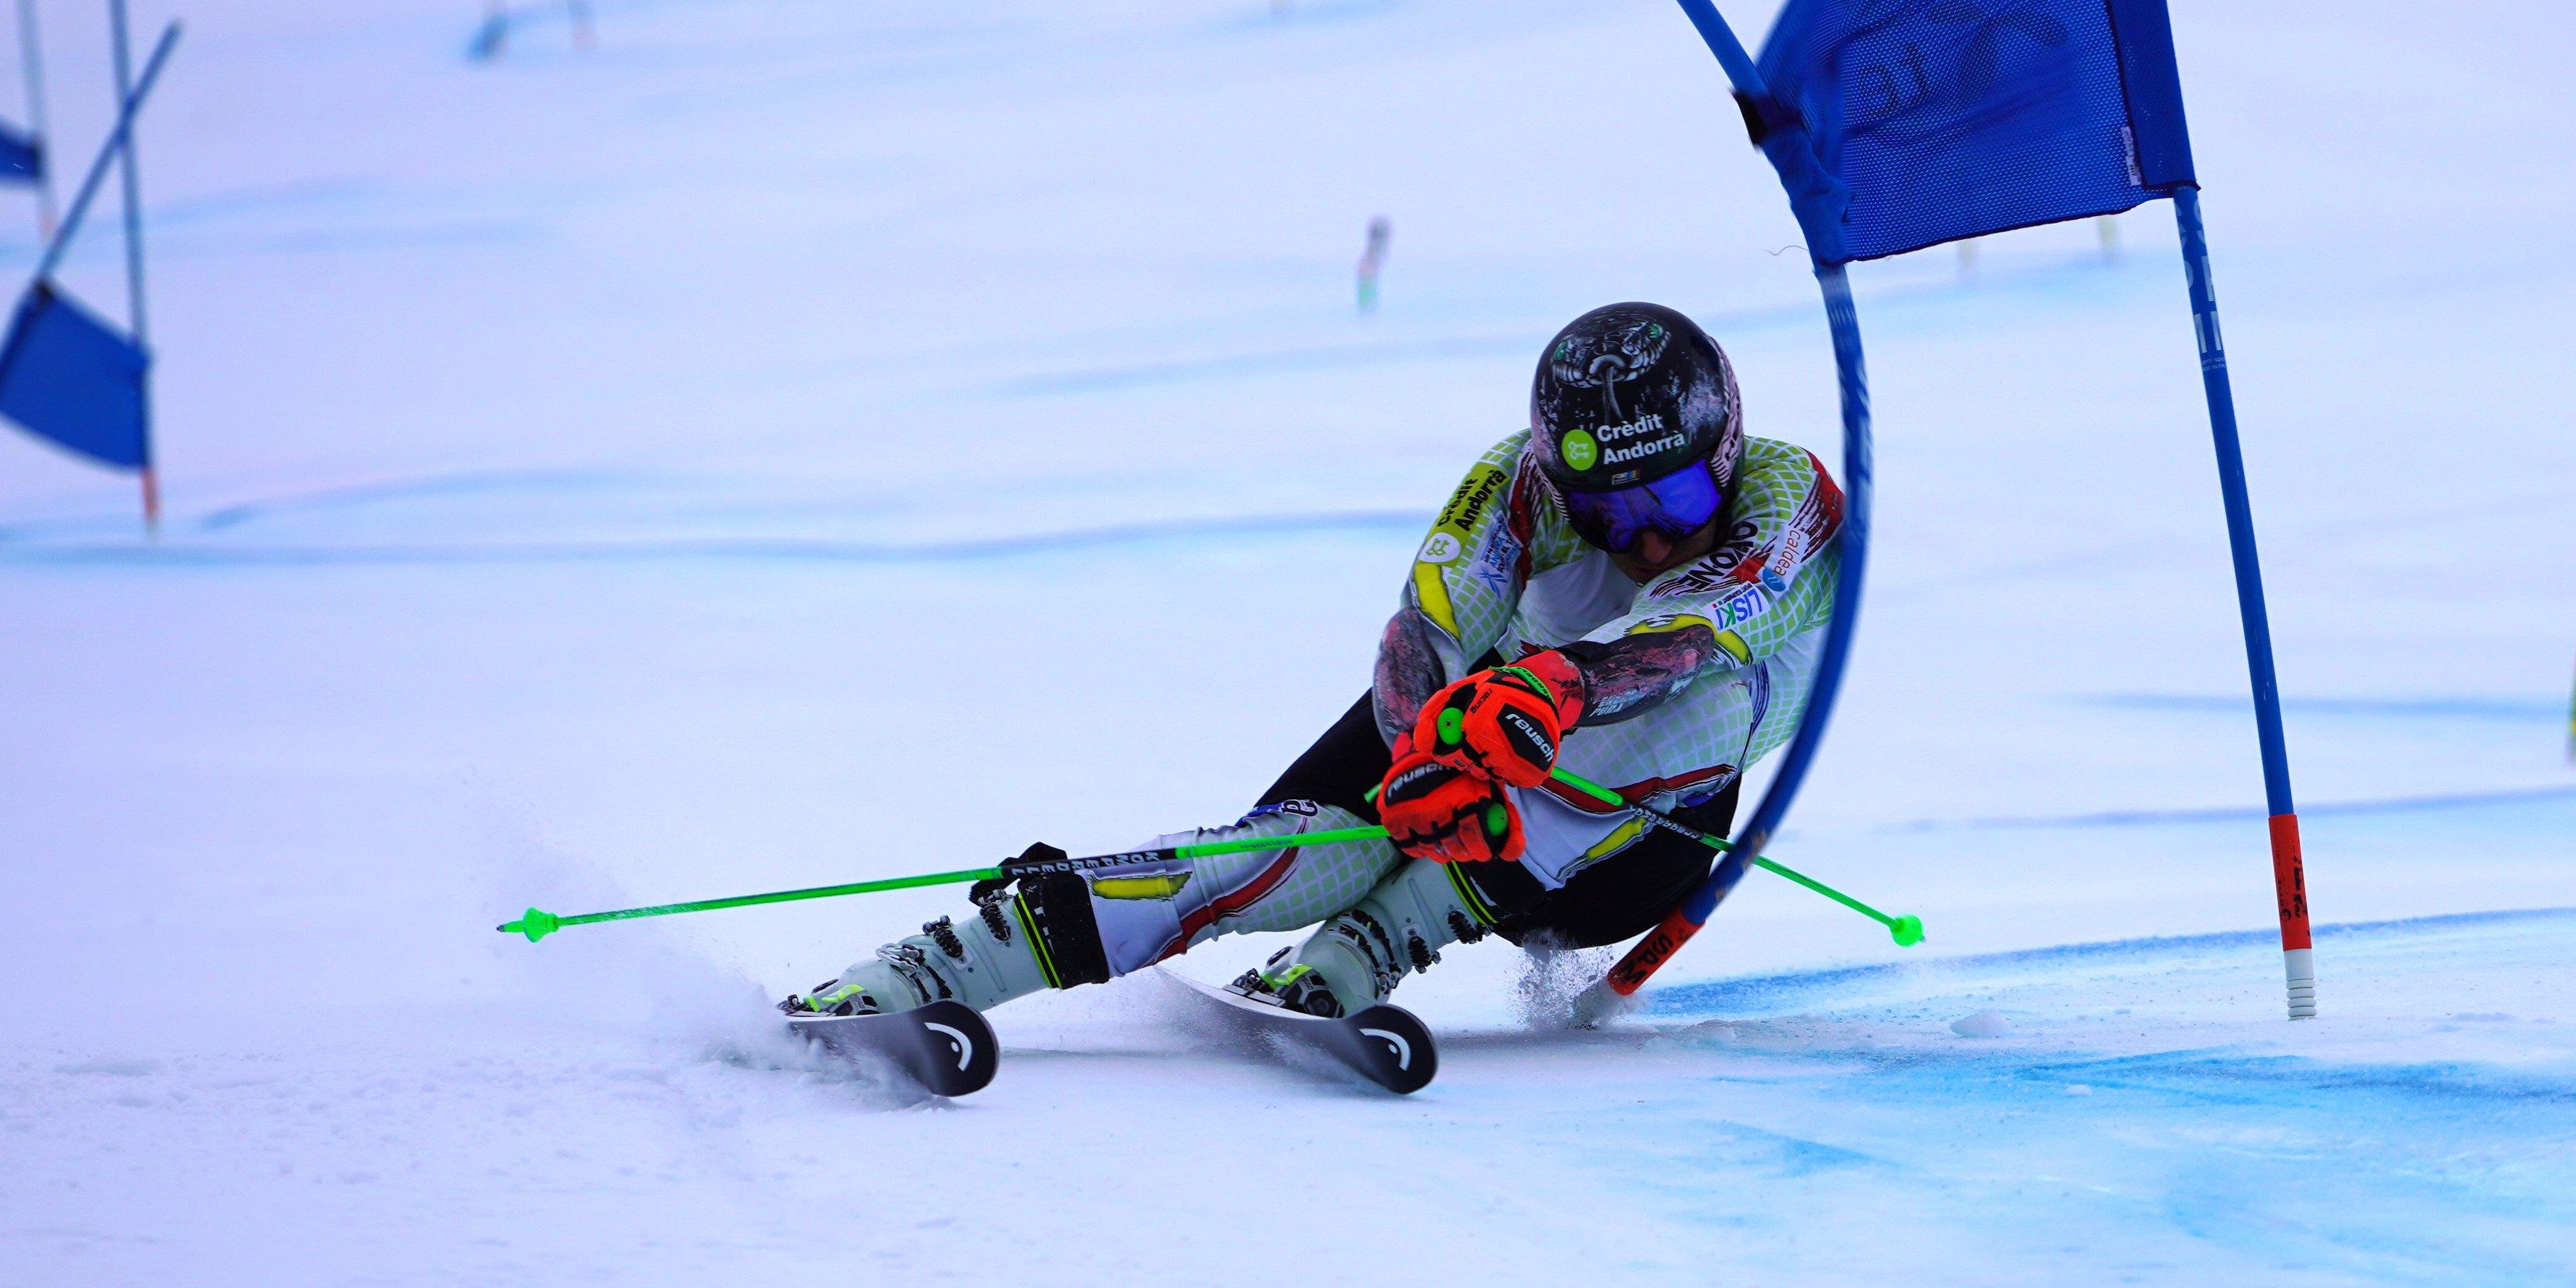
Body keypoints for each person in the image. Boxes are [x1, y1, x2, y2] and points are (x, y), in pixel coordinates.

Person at [785, 302, 1845, 1025]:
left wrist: (1545, 691)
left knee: (1701, 709)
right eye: (1609, 512)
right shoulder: (1515, 484)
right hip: (1490, 739)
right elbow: (1420, 634)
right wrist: (1424, 752)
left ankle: (1391, 932)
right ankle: (964, 957)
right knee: (1301, 848)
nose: (1647, 537)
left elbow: (1691, 632)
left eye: (1674, 502)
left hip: (1633, 850)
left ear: (1725, 457)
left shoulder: (1785, 494)